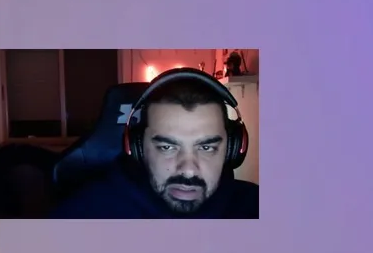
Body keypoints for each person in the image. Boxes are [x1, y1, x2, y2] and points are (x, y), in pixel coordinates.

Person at [53, 68, 258, 219]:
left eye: (206, 148)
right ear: (136, 147)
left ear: (233, 148)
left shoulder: (255, 207)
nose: (188, 171)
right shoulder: (85, 214)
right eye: (167, 147)